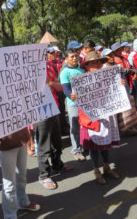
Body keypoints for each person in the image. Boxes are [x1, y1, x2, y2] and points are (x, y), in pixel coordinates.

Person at [74, 51, 122, 184]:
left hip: (106, 115)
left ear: (101, 64)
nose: (96, 64)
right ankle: (96, 170)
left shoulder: (109, 76)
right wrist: (75, 97)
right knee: (94, 145)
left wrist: (121, 84)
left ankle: (107, 167)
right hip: (91, 118)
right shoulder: (81, 80)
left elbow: (116, 91)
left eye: (98, 62)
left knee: (106, 144)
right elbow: (78, 99)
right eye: (93, 62)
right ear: (87, 65)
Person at [35, 48, 73, 190]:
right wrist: (58, 85)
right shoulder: (34, 67)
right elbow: (51, 83)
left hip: (54, 106)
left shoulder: (50, 65)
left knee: (56, 140)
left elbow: (53, 82)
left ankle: (57, 165)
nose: (51, 53)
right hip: (41, 109)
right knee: (44, 143)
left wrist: (56, 85)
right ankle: (44, 175)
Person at [0, 128, 40, 219]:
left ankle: (22, 202)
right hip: (5, 144)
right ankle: (10, 216)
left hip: (21, 139)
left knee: (21, 175)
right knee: (9, 183)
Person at [60, 49, 85, 161]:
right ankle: (76, 150)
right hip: (73, 104)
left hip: (85, 103)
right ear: (66, 59)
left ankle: (85, 145)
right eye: (71, 57)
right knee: (74, 128)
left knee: (84, 126)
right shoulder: (65, 72)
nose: (74, 58)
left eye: (76, 56)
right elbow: (65, 89)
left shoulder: (82, 69)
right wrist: (72, 97)